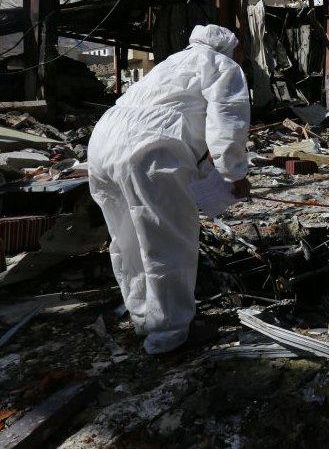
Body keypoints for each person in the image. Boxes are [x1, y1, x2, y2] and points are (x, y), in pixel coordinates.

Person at [88, 24, 251, 355]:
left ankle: (143, 318)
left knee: (127, 241)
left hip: (102, 144)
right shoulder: (223, 66)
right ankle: (170, 336)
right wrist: (234, 173)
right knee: (168, 244)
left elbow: (180, 115)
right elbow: (226, 120)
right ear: (231, 47)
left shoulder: (171, 63)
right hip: (149, 152)